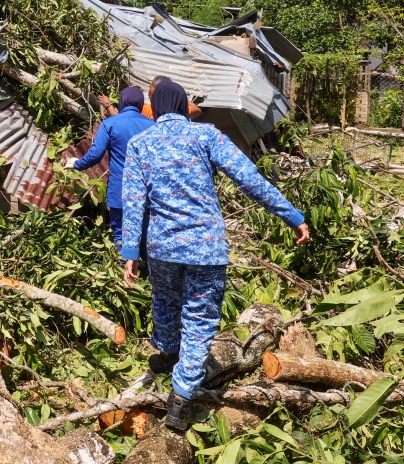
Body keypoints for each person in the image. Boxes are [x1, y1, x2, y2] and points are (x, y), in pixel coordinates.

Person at [120, 80, 310, 431]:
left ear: (156, 107)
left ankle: (169, 354)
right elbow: (248, 179)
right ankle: (181, 395)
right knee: (199, 318)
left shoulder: (140, 144)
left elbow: (133, 201)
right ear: (181, 105)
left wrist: (130, 250)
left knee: (164, 300)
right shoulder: (205, 135)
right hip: (205, 247)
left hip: (162, 247)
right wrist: (291, 215)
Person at [72, 86, 154, 256]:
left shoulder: (110, 123)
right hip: (146, 190)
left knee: (120, 233)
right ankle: (147, 272)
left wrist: (77, 164)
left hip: (120, 189)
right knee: (146, 231)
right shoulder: (152, 125)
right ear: (140, 103)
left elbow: (95, 155)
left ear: (122, 102)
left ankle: (124, 273)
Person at [99, 76, 201, 119]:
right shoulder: (177, 109)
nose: (148, 92)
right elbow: (197, 110)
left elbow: (120, 119)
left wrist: (107, 104)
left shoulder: (147, 109)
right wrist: (176, 95)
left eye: (150, 89)